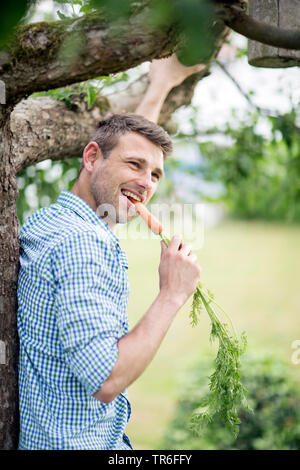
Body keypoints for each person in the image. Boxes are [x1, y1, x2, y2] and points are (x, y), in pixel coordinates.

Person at [17, 54, 203, 450]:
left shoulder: (55, 220)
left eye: (155, 175)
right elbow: (106, 380)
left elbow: (117, 160)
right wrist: (172, 294)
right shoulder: (83, 244)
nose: (146, 183)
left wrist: (160, 84)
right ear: (89, 157)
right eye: (135, 165)